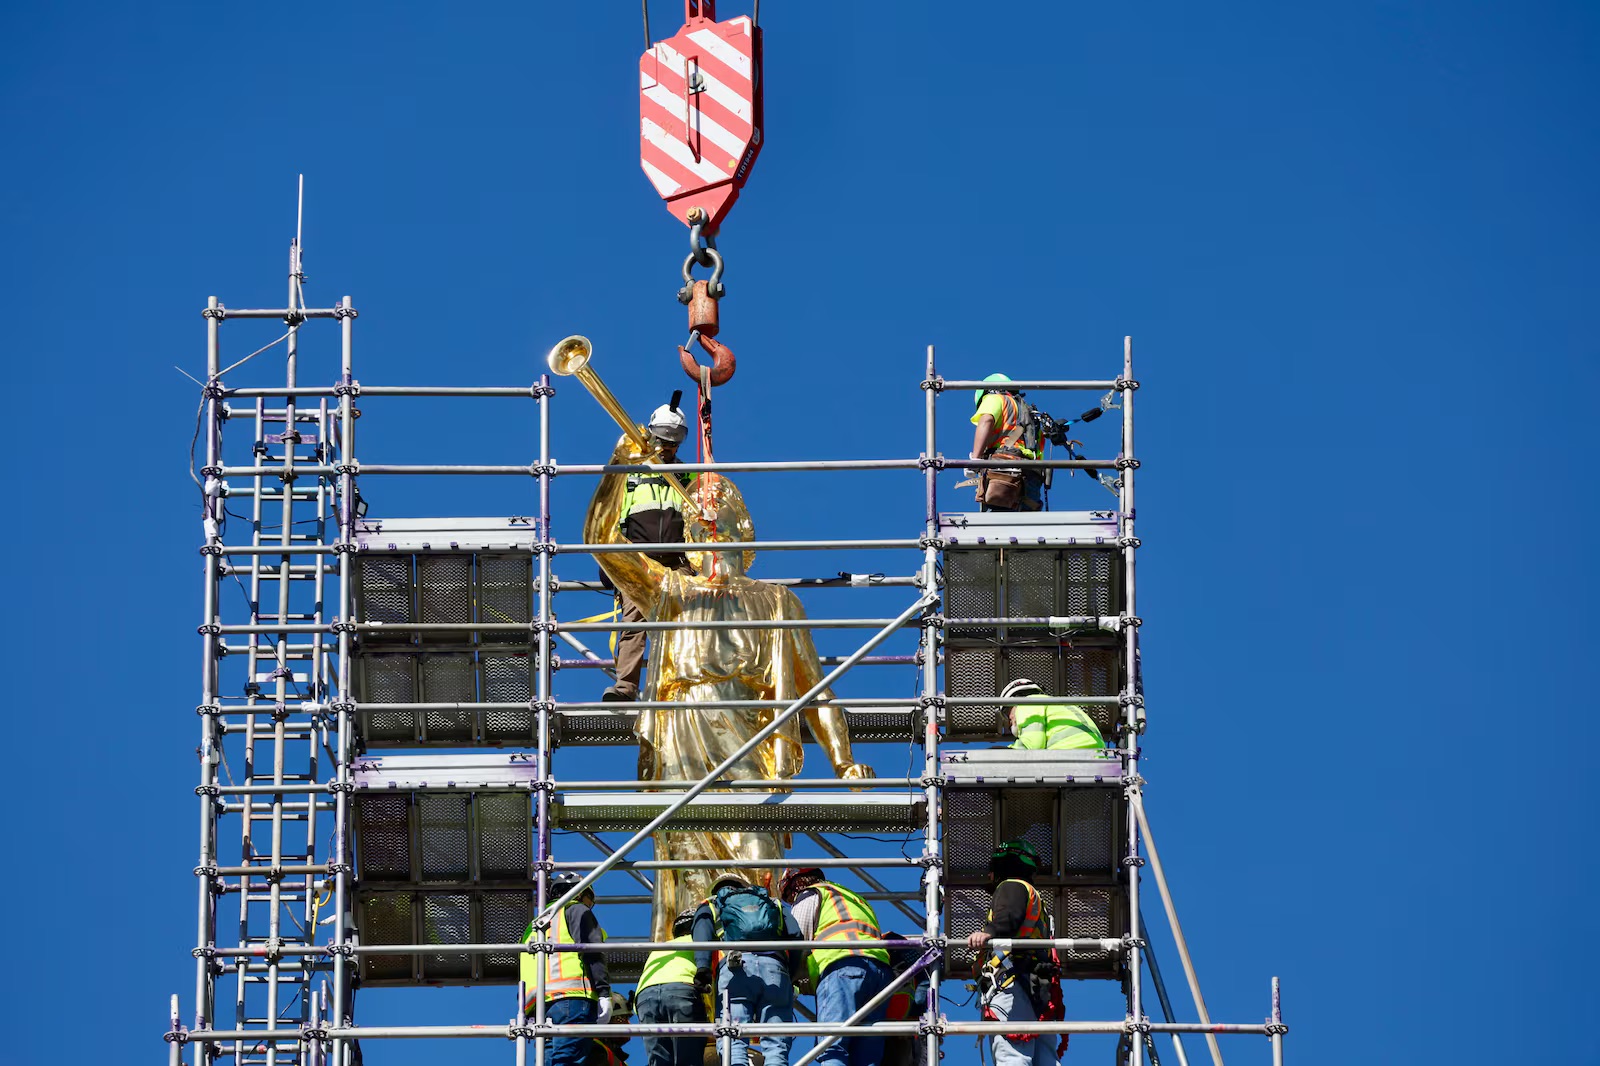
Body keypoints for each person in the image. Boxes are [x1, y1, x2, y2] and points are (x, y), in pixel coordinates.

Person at [585, 438, 875, 939]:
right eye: (700, 521)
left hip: (748, 738)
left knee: (757, 856)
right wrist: (619, 468)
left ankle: (758, 972)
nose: (709, 524)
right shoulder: (670, 590)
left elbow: (815, 690)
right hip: (683, 729)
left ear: (745, 529)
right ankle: (692, 985)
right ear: (690, 539)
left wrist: (844, 758)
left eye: (721, 516)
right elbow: (601, 542)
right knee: (685, 870)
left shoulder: (777, 601)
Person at [603, 397, 695, 702]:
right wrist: (608, 563)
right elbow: (612, 516)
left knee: (685, 628)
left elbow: (702, 519)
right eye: (663, 441)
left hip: (677, 562)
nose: (668, 448)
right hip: (638, 561)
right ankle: (626, 688)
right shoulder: (630, 473)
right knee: (634, 624)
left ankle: (685, 690)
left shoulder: (687, 476)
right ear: (651, 435)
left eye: (674, 443)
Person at [778, 867, 894, 1066]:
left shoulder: (811, 894)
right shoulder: (853, 898)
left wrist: (786, 979)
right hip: (880, 973)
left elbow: (798, 942)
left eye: (789, 893)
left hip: (843, 968)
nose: (790, 900)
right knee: (867, 1056)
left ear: (797, 882)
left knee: (831, 1046)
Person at [965, 840, 1065, 1066]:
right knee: (1045, 1059)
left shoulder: (1012, 886)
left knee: (1012, 1054)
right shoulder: (1036, 899)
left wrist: (989, 932)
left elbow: (1009, 915)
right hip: (1038, 988)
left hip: (1012, 983)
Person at [693, 874, 800, 1066]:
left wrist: (703, 968)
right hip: (775, 970)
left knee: (732, 1036)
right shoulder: (771, 902)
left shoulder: (712, 903)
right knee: (776, 1042)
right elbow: (795, 934)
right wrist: (791, 974)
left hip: (736, 969)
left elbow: (702, 936)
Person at [523, 870, 613, 1066]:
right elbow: (592, 951)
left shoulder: (534, 926)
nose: (589, 906)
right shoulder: (575, 910)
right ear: (580, 893)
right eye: (589, 900)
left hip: (539, 1006)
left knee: (552, 1060)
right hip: (572, 998)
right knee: (569, 1059)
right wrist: (604, 992)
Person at [634, 908, 708, 1066]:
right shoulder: (702, 942)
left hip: (645, 998)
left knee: (658, 1061)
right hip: (681, 991)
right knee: (688, 1058)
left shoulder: (659, 949)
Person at [968, 373, 1043, 512]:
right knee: (1026, 529)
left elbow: (986, 421)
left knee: (998, 527)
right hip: (1032, 481)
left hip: (1004, 472)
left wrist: (975, 459)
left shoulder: (996, 398)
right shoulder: (1031, 415)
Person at [1000, 678, 1105, 750]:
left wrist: (1002, 752)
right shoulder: (1057, 705)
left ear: (1013, 702)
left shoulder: (1027, 704)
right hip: (1098, 757)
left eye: (1006, 714)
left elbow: (1032, 745)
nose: (1009, 722)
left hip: (1071, 754)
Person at [588, 992, 634, 1066]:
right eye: (621, 1018)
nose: (628, 1024)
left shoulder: (616, 1058)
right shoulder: (594, 1050)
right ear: (606, 1020)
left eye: (627, 1018)